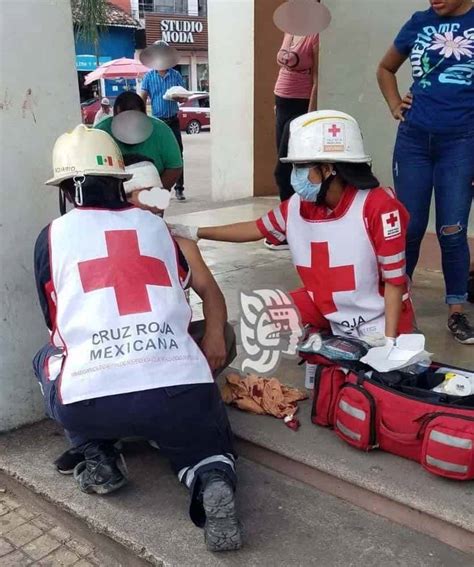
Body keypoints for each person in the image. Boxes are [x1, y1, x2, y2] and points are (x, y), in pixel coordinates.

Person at [33, 125, 242, 552]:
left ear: (70, 190)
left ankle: (96, 452)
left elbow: (54, 324)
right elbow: (187, 291)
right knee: (202, 442)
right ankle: (210, 477)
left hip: (92, 402)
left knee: (47, 357)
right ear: (119, 182)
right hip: (178, 391)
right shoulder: (160, 231)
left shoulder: (52, 237)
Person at [170, 111, 415, 343]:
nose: (295, 176)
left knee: (374, 382)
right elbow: (255, 229)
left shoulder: (380, 207)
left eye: (302, 168)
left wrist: (390, 343)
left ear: (329, 168)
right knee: (267, 315)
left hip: (381, 317)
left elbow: (395, 282)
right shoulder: (298, 207)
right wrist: (196, 232)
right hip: (330, 308)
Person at [377, 0, 474, 344]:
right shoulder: (419, 21)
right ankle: (398, 307)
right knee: (409, 226)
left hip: (462, 143)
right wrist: (393, 105)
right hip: (414, 141)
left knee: (451, 230)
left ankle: (457, 312)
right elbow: (385, 68)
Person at [270, 32, 319, 251]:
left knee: (284, 170)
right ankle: (288, 226)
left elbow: (317, 78)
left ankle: (293, 228)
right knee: (284, 168)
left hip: (301, 106)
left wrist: (310, 117)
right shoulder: (290, 30)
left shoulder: (315, 35)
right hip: (282, 101)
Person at [95, 92, 183, 193]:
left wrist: (156, 194)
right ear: (114, 116)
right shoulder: (100, 133)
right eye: (124, 121)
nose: (129, 126)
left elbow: (175, 167)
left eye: (134, 120)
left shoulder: (161, 131)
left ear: (144, 116)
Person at [140, 41, 187, 201]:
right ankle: (159, 188)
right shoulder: (148, 77)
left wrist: (179, 97)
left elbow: (182, 98)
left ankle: (179, 188)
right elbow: (143, 97)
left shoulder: (176, 76)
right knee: (156, 156)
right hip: (156, 123)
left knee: (177, 155)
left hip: (173, 121)